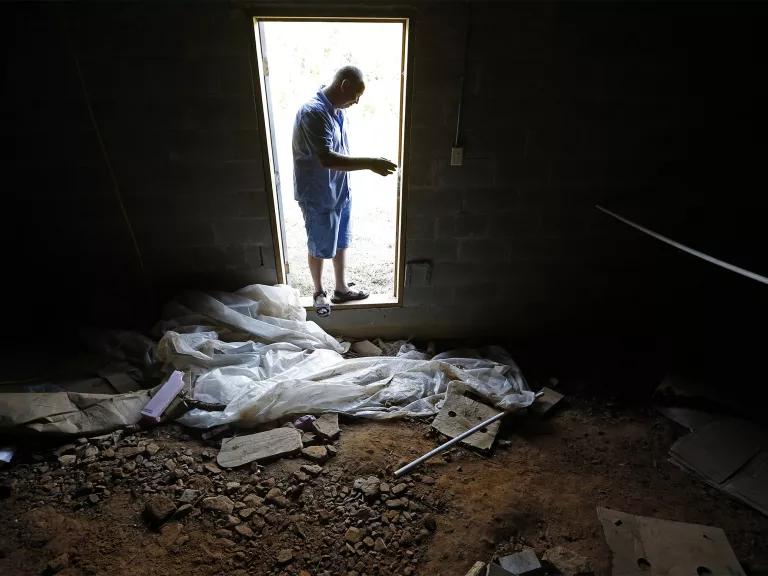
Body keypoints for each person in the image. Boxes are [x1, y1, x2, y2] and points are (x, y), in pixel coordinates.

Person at [292, 65, 397, 316]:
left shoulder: (336, 111)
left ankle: (340, 289)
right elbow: (326, 158)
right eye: (356, 95)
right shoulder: (313, 114)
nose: (357, 102)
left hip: (339, 188)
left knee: (340, 240)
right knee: (318, 243)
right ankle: (318, 291)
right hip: (317, 192)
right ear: (344, 86)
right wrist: (371, 163)